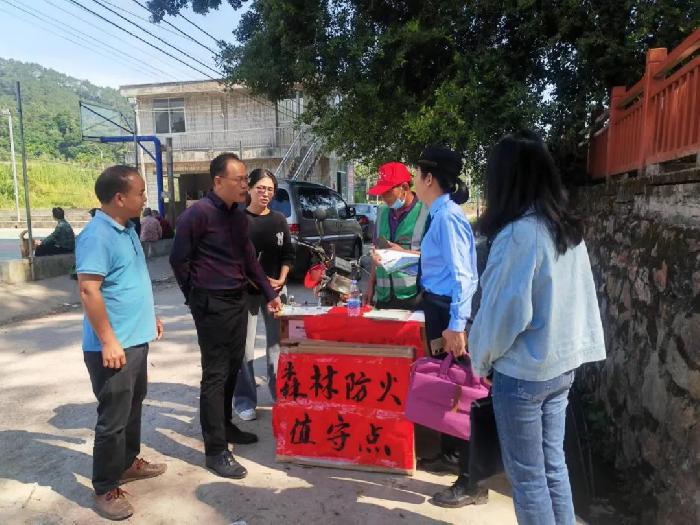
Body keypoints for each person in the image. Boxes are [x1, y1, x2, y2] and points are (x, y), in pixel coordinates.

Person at [469, 130, 606, 525]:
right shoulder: (564, 228)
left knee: (528, 479)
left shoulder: (519, 234)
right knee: (553, 467)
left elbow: (502, 315)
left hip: (523, 374)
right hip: (561, 366)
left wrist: (481, 360)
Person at [170, 153, 282, 479]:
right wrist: (194, 296)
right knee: (215, 375)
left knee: (234, 366)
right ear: (218, 181)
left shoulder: (237, 217)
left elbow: (249, 260)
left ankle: (226, 426)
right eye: (239, 179)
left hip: (236, 300)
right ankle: (215, 449)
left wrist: (270, 294)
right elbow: (178, 260)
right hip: (211, 304)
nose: (245, 185)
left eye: (246, 178)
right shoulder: (197, 215)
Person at [75, 165, 166, 521]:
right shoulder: (96, 235)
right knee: (112, 418)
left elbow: (130, 281)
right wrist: (108, 340)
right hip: (113, 347)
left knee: (132, 406)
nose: (144, 198)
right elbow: (88, 290)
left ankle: (127, 462)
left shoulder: (126, 229)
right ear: (119, 197)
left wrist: (149, 318)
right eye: (140, 192)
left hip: (135, 338)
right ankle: (105, 487)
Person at [413, 146, 485, 507]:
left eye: (416, 175)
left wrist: (457, 325)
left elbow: (464, 276)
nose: (414, 181)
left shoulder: (448, 217)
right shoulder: (438, 213)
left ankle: (472, 482)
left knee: (464, 390)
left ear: (429, 178)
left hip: (449, 312)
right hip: (438, 308)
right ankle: (451, 453)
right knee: (446, 384)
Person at [232, 168, 295, 421]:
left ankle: (280, 393)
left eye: (270, 189)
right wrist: (258, 283)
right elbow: (235, 259)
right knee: (244, 348)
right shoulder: (238, 220)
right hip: (246, 291)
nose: (265, 193)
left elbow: (288, 254)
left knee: (277, 345)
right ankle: (245, 400)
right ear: (249, 188)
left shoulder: (279, 219)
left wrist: (281, 279)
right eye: (260, 188)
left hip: (276, 292)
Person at [364, 162, 429, 310]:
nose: (384, 198)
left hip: (414, 296)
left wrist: (403, 254)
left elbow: (436, 258)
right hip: (384, 297)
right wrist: (370, 285)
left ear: (404, 188)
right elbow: (376, 251)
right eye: (381, 193)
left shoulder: (426, 212)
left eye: (387, 192)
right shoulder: (382, 212)